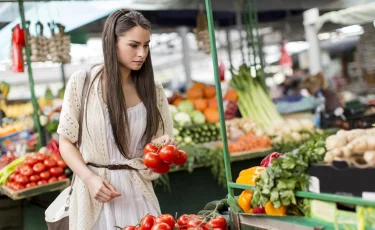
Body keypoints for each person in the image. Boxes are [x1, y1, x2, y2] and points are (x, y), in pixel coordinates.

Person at [57, 10, 175, 230]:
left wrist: (164, 148)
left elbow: (159, 148)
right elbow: (66, 142)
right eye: (134, 45)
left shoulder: (154, 91)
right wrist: (89, 179)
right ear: (112, 42)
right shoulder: (82, 83)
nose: (142, 53)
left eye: (146, 45)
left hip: (140, 197)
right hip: (94, 197)